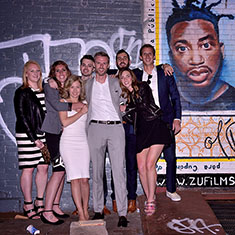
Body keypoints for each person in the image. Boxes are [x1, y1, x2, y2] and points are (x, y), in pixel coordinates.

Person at [119, 68, 173, 216]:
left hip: (155, 127)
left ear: (132, 77)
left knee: (150, 164)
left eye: (127, 76)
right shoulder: (127, 97)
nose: (125, 79)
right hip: (141, 132)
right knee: (141, 167)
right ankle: (151, 194)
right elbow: (132, 118)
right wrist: (124, 112)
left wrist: (127, 108)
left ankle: (150, 200)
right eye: (122, 77)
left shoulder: (142, 86)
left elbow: (144, 105)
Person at [166, 0, 235, 111]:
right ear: (171, 57)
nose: (196, 60)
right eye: (182, 48)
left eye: (206, 45)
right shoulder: (166, 101)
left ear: (221, 51)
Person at [85, 51, 128, 227]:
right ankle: (98, 210)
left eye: (104, 63)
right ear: (94, 65)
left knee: (118, 172)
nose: (101, 66)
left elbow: (128, 95)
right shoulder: (86, 84)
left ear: (108, 64)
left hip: (116, 127)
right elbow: (66, 88)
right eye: (98, 63)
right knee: (97, 172)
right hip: (95, 128)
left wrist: (125, 106)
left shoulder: (116, 81)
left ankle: (123, 213)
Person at [134, 44, 182, 202]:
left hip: (165, 121)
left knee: (170, 158)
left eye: (150, 54)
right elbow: (119, 74)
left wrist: (177, 118)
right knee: (147, 164)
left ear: (154, 56)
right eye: (144, 54)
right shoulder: (135, 75)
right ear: (140, 57)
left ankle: (171, 190)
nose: (147, 56)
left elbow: (175, 97)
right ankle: (150, 196)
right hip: (145, 125)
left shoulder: (164, 73)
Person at [41, 60, 82, 225]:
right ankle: (47, 211)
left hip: (62, 133)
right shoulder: (50, 86)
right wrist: (80, 106)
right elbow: (58, 105)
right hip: (53, 132)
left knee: (62, 171)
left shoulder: (65, 87)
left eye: (63, 70)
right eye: (57, 71)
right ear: (53, 74)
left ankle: (56, 206)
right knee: (58, 171)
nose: (61, 73)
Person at [14, 60, 48, 219]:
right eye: (32, 71)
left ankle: (39, 202)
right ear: (26, 73)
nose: (35, 74)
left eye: (38, 71)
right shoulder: (22, 92)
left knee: (43, 168)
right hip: (27, 136)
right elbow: (22, 117)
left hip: (43, 135)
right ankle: (28, 204)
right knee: (28, 169)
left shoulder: (44, 91)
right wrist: (34, 139)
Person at [59, 75, 90, 221]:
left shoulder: (85, 103)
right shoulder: (62, 102)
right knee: (75, 179)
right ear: (67, 88)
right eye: (72, 87)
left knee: (84, 179)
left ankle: (85, 209)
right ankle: (81, 213)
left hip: (83, 142)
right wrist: (81, 113)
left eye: (78, 87)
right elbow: (64, 122)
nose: (75, 90)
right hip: (68, 143)